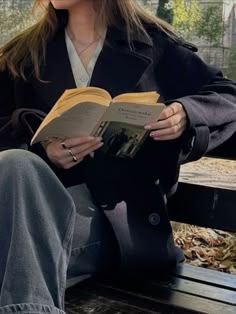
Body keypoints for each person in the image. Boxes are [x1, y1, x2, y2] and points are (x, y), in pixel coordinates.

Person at [0, 0, 236, 313]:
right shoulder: (23, 53)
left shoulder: (154, 46)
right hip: (32, 208)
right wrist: (42, 149)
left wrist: (185, 113)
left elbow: (227, 95)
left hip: (119, 228)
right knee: (18, 164)